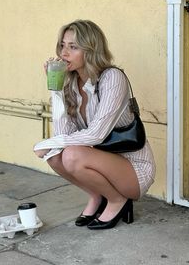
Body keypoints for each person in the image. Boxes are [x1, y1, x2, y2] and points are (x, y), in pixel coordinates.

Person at [34, 19, 156, 230]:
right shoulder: (71, 83)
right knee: (54, 155)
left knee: (71, 154)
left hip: (133, 168)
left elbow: (96, 135)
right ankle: (96, 196)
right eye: (62, 45)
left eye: (73, 47)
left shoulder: (112, 78)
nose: (64, 53)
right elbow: (65, 133)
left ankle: (118, 200)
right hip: (100, 160)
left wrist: (51, 141)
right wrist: (56, 89)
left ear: (90, 51)